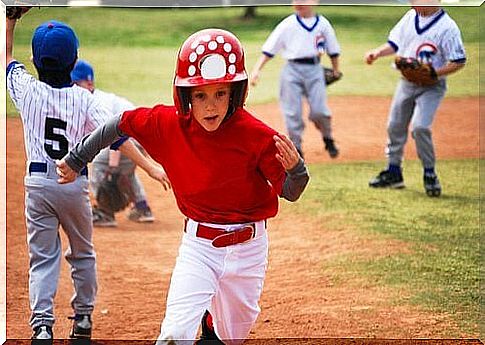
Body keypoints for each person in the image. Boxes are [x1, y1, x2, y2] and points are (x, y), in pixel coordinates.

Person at [56, 28, 310, 344]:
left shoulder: (257, 135)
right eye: (200, 95)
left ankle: (212, 322)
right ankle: (203, 316)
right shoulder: (169, 124)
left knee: (233, 335)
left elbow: (290, 191)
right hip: (199, 247)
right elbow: (119, 123)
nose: (211, 106)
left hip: (249, 250)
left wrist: (297, 170)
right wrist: (79, 156)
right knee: (175, 333)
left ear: (235, 92)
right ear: (185, 95)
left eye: (220, 93)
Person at [5, 15, 167, 343]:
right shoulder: (85, 100)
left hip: (37, 186)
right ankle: (82, 319)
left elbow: (6, 56)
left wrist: (8, 20)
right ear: (75, 61)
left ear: (34, 61)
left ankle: (42, 325)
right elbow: (117, 136)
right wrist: (150, 167)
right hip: (73, 185)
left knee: (43, 256)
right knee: (82, 253)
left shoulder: (26, 90)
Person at [365, 0, 466, 197]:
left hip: (432, 87)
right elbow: (394, 44)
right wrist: (377, 52)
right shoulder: (410, 17)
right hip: (406, 83)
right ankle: (394, 172)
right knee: (395, 125)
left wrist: (435, 73)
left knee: (420, 127)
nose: (412, 4)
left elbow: (458, 60)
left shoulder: (448, 27)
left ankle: (429, 174)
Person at [250, 0, 341, 159]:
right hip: (291, 70)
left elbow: (333, 50)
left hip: (315, 69)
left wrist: (335, 69)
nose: (298, 2)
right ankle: (297, 148)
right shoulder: (288, 24)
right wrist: (257, 70)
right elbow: (270, 49)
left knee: (320, 111)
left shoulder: (323, 24)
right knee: (292, 112)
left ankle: (328, 138)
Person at [71, 60, 157, 227]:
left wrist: (111, 167)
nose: (71, 88)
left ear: (89, 83)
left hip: (132, 138)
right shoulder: (94, 98)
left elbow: (116, 136)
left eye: (75, 83)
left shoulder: (97, 102)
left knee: (100, 164)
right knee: (125, 171)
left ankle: (105, 212)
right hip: (141, 138)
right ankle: (142, 208)